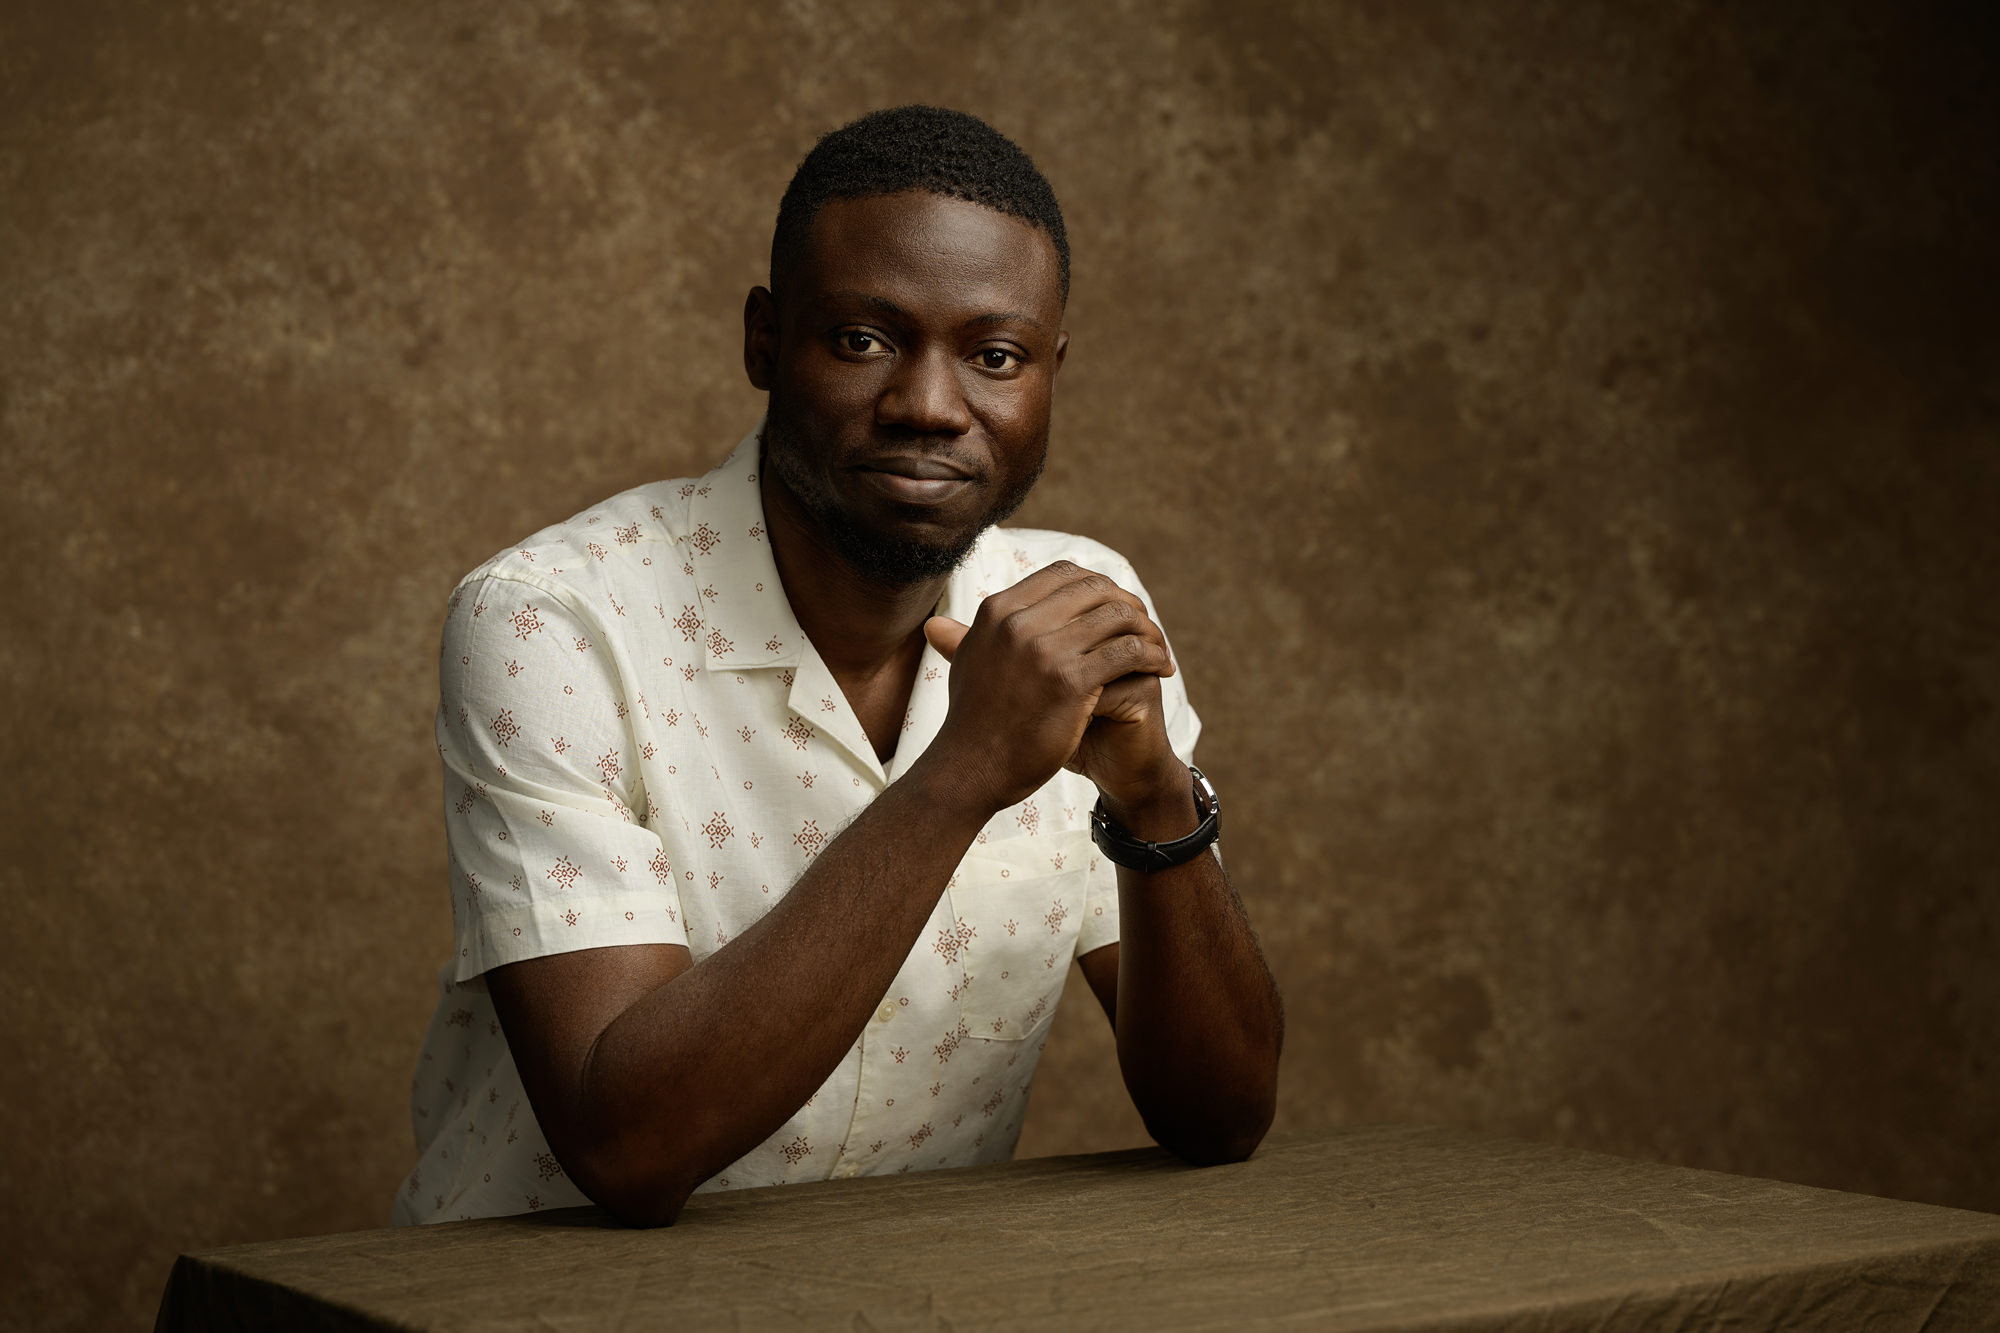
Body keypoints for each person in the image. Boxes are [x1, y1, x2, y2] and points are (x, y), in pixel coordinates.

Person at [394, 105, 1283, 1227]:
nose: (925, 405)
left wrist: (1154, 800)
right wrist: (963, 771)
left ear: (1050, 372)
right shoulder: (553, 619)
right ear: (766, 341)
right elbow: (625, 1144)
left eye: (994, 356)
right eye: (862, 340)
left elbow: (1219, 1117)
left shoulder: (1078, 607)